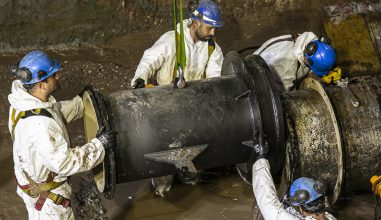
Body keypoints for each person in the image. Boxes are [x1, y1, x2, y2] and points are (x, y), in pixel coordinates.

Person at [8, 50, 117, 219]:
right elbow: (65, 163)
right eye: (54, 75)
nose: (58, 76)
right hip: (49, 201)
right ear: (42, 84)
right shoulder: (41, 126)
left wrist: (79, 104)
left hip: (32, 185)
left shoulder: (21, 103)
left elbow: (52, 113)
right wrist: (99, 145)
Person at [131, 0, 224, 88]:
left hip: (196, 97)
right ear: (197, 23)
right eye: (210, 28)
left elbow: (215, 80)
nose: (213, 33)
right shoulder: (172, 40)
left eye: (215, 29)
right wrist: (140, 78)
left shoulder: (212, 48)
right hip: (165, 96)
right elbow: (149, 61)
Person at [251, 143, 337, 220]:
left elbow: (267, 202)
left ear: (301, 209)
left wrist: (260, 158)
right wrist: (289, 209)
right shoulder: (331, 218)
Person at [253, 32, 340, 91]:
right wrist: (320, 80)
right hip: (258, 83)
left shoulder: (305, 41)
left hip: (258, 60)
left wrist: (330, 69)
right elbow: (284, 98)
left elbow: (318, 56)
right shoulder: (287, 70)